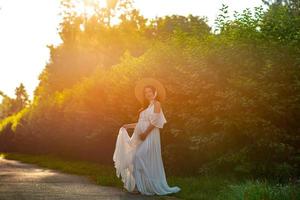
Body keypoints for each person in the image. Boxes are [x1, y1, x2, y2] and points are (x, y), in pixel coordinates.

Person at [113, 78, 181, 195]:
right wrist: (127, 126)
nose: (148, 94)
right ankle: (140, 187)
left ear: (155, 92)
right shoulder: (144, 108)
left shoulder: (157, 104)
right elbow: (140, 124)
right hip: (140, 135)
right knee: (134, 158)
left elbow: (154, 122)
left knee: (139, 157)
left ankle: (147, 186)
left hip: (150, 136)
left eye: (150, 91)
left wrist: (145, 133)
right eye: (146, 92)